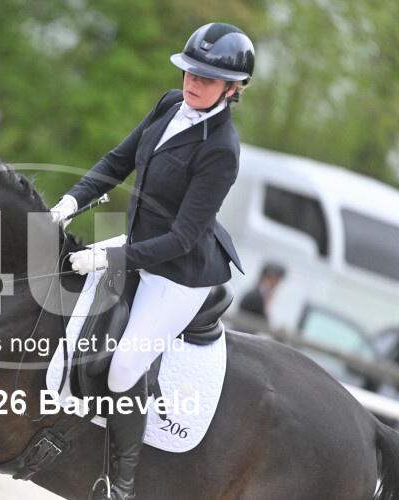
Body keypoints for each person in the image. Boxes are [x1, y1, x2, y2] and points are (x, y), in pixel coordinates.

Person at [50, 22, 254, 500]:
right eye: (191, 72)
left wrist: (108, 256)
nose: (193, 82)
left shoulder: (221, 150)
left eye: (207, 78)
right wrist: (69, 202)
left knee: (123, 367)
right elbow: (116, 162)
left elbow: (182, 238)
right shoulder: (169, 105)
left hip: (179, 272)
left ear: (233, 88)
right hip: (140, 242)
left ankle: (121, 484)